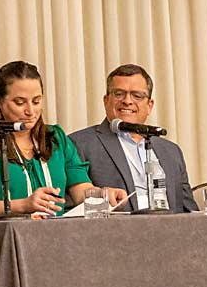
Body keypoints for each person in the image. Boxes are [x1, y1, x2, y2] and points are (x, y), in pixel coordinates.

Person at [0, 61, 127, 219]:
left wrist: (103, 194)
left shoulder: (56, 137)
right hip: (1, 240)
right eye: (20, 103)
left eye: (36, 101)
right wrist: (24, 205)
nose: (30, 111)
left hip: (55, 237)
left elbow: (80, 189)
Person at [70, 64, 197, 212]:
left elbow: (190, 210)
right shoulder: (80, 144)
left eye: (137, 96)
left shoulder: (171, 151)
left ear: (150, 105)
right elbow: (72, 209)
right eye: (119, 94)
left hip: (170, 231)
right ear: (105, 101)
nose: (127, 101)